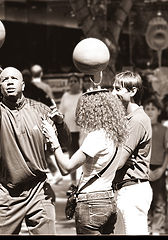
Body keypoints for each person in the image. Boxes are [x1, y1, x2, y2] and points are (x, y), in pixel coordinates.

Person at [0, 65, 71, 235]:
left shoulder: (40, 110)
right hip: (8, 193)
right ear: (0, 86)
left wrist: (60, 124)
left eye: (13, 78)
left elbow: (65, 142)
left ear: (23, 85)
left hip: (39, 190)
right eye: (5, 80)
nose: (9, 82)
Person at [41, 85, 128, 235]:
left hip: (91, 202)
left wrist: (53, 139)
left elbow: (66, 168)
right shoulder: (116, 135)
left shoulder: (96, 136)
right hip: (108, 199)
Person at [112, 71, 153, 235]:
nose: (113, 93)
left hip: (133, 190)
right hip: (123, 189)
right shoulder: (125, 119)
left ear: (133, 91)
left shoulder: (137, 120)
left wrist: (114, 155)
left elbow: (119, 161)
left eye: (117, 89)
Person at [22, 68, 63, 185]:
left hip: (37, 123)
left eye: (27, 76)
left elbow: (49, 104)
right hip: (29, 123)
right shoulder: (37, 89)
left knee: (42, 150)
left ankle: (53, 172)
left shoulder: (36, 90)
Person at [143, 96, 168, 235]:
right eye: (147, 109)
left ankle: (157, 229)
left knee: (159, 201)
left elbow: (167, 151)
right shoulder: (142, 128)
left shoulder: (164, 130)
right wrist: (145, 169)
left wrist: (162, 168)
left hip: (159, 169)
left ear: (159, 111)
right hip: (143, 170)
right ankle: (146, 227)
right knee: (145, 201)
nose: (150, 111)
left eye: (153, 109)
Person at [59, 72, 82, 194]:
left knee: (84, 156)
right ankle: (73, 182)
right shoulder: (65, 96)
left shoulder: (82, 96)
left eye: (75, 81)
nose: (72, 83)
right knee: (72, 156)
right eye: (71, 81)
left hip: (82, 131)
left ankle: (83, 181)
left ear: (79, 83)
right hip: (69, 131)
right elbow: (61, 112)